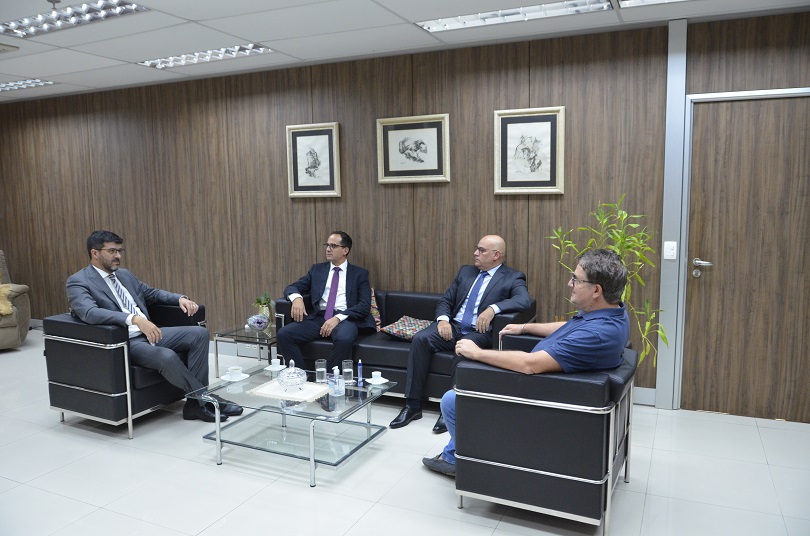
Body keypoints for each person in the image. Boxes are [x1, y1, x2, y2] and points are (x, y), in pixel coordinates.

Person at [422, 248, 630, 477]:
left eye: (576, 279)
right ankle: (455, 453)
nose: (570, 284)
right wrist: (525, 327)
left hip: (537, 399)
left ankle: (460, 459)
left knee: (452, 400)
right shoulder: (611, 311)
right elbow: (569, 326)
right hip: (543, 384)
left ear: (596, 290)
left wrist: (477, 352)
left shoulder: (597, 334)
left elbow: (530, 364)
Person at [66, 230, 242, 423]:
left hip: (150, 331)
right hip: (126, 340)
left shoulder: (124, 275)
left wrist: (179, 299)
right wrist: (133, 319)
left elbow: (151, 293)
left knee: (199, 334)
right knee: (166, 355)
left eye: (120, 251)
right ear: (95, 253)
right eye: (112, 251)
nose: (118, 256)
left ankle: (193, 405)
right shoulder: (78, 281)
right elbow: (89, 313)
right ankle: (207, 399)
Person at [389, 235, 531, 433]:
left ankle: (448, 410)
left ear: (496, 255)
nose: (475, 253)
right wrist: (443, 320)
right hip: (453, 325)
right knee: (421, 339)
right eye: (476, 248)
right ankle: (412, 405)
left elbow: (524, 300)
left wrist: (493, 309)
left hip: (478, 331)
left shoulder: (512, 277)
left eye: (481, 250)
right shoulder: (466, 272)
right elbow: (445, 300)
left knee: (463, 347)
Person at [277, 231, 375, 371]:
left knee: (344, 339)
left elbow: (364, 306)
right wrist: (297, 298)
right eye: (327, 245)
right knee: (284, 334)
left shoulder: (359, 274)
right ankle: (299, 376)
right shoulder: (317, 270)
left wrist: (337, 318)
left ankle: (329, 380)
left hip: (345, 319)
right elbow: (293, 287)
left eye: (333, 246)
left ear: (345, 250)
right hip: (319, 317)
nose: (328, 249)